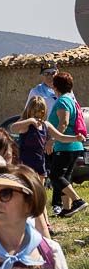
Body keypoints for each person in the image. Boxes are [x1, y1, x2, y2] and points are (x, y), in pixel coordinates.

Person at [10, 96, 86, 181]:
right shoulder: (26, 125)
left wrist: (76, 138)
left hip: (40, 163)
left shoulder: (45, 125)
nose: (37, 114)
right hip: (26, 164)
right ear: (29, 111)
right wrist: (30, 120)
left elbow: (61, 137)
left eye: (41, 112)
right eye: (35, 111)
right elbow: (13, 128)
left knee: (40, 191)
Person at [47, 71, 86, 218]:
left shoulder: (63, 101)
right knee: (65, 177)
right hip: (74, 145)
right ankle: (67, 208)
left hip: (65, 145)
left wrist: (53, 140)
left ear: (55, 86)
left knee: (55, 175)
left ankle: (77, 200)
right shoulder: (72, 99)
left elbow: (63, 122)